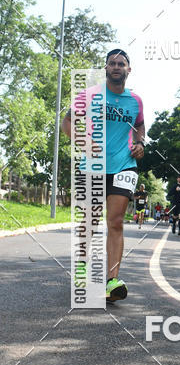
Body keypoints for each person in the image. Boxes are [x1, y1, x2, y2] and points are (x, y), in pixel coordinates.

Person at [61, 48, 145, 301]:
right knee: (89, 221)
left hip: (124, 165)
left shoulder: (136, 101)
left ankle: (112, 281)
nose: (116, 67)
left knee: (116, 221)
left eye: (121, 63)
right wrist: (83, 142)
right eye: (112, 63)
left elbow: (139, 127)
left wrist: (141, 145)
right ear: (106, 68)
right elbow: (67, 122)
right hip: (92, 166)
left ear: (129, 70)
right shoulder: (89, 95)